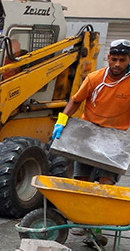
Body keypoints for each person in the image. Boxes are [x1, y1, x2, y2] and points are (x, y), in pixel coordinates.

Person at [52, 39, 130, 185]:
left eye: (122, 60)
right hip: (88, 134)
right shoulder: (94, 79)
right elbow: (75, 101)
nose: (117, 64)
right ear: (108, 58)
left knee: (106, 184)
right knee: (82, 181)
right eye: (114, 59)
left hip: (114, 138)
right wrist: (61, 122)